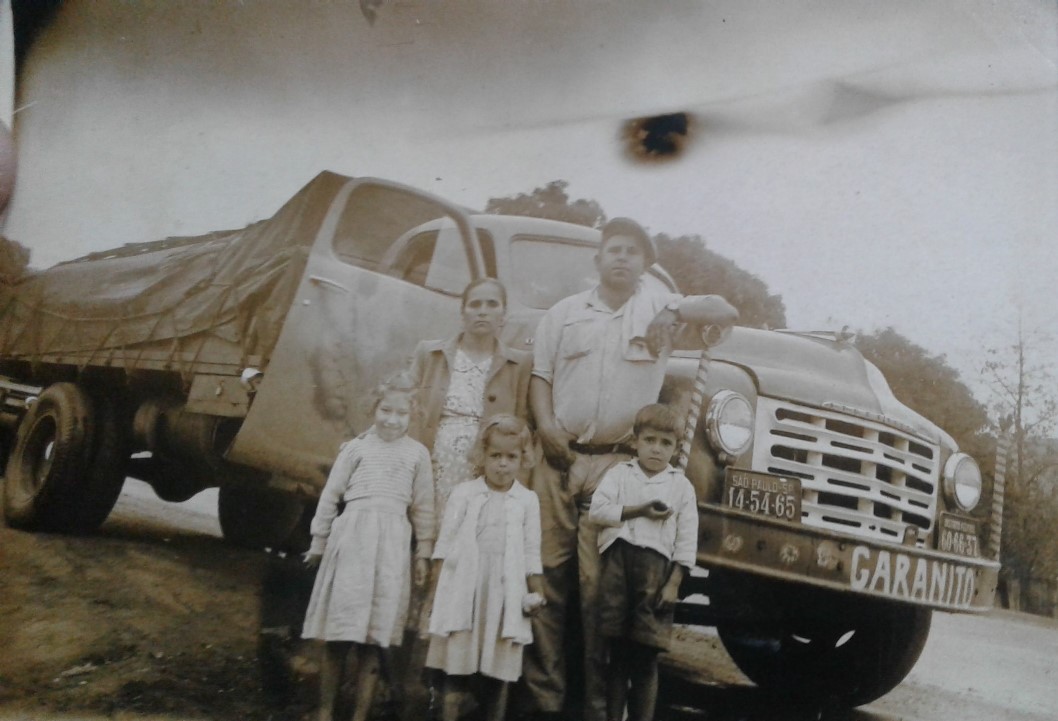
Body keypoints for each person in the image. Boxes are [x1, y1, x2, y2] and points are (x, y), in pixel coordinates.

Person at [522, 216, 737, 721]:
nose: (621, 257)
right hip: (559, 458)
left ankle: (594, 708)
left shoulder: (659, 311)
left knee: (601, 594)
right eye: (613, 249)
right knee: (546, 581)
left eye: (633, 252)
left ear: (646, 265)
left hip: (619, 470)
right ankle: (544, 702)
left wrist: (675, 307)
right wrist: (548, 426)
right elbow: (539, 375)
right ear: (598, 258)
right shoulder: (565, 313)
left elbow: (724, 311)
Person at [301, 372, 436, 721]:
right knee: (339, 630)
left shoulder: (417, 456)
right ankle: (325, 711)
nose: (392, 420)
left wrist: (423, 552)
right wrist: (319, 540)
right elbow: (330, 496)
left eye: (401, 413)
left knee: (374, 639)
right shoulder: (355, 448)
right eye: (385, 410)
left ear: (413, 414)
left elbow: (423, 507)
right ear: (373, 408)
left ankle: (361, 714)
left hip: (390, 550)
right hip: (353, 545)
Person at [425, 414, 546, 721]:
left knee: (498, 670)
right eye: (495, 456)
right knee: (456, 664)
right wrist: (438, 592)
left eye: (511, 457)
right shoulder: (464, 493)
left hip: (505, 595)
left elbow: (532, 552)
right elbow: (445, 543)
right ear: (482, 455)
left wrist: (537, 592)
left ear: (523, 459)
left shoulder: (527, 500)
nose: (502, 464)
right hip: (464, 591)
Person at [588, 404, 698, 721]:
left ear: (676, 449)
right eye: (650, 440)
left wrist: (674, 582)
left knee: (646, 658)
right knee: (618, 656)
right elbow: (597, 511)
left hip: (656, 574)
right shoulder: (620, 475)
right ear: (635, 441)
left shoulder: (680, 486)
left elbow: (686, 540)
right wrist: (638, 511)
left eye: (666, 443)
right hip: (618, 569)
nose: (656, 449)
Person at [409, 277, 532, 519]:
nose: (482, 312)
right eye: (474, 305)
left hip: (487, 465)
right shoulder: (430, 353)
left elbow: (524, 426)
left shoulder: (520, 363)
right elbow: (405, 405)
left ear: (504, 314)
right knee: (428, 529)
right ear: (462, 312)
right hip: (435, 461)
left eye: (492, 304)